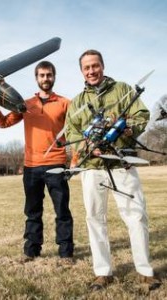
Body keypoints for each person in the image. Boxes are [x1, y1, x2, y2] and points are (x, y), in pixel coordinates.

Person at [66, 49, 161, 291]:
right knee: (95, 218)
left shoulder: (122, 89)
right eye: (86, 67)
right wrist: (85, 145)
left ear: (102, 66)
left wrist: (127, 129)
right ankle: (102, 272)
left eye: (95, 65)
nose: (91, 71)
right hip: (92, 168)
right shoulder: (76, 102)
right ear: (82, 71)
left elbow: (142, 114)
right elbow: (71, 132)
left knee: (136, 215)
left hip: (121, 164)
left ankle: (145, 270)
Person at [0, 61, 74, 264]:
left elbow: (76, 131)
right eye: (41, 75)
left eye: (49, 75)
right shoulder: (25, 104)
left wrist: (74, 159)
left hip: (56, 164)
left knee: (62, 211)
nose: (45, 78)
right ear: (36, 78)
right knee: (32, 211)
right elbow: (4, 123)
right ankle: (31, 251)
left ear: (54, 76)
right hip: (31, 167)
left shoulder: (66, 103)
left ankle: (66, 253)